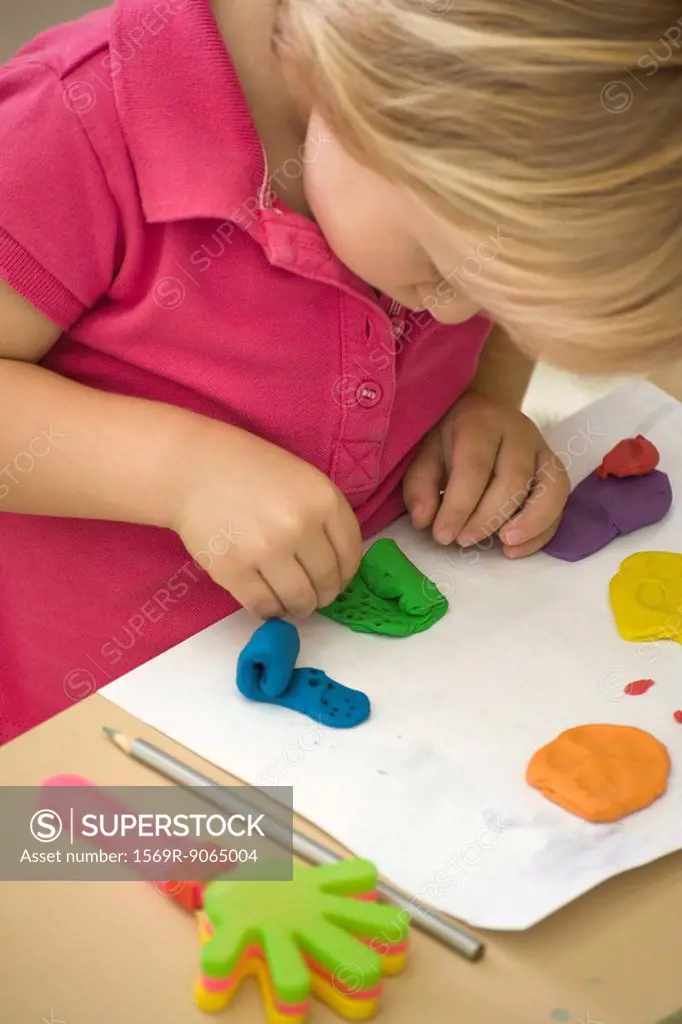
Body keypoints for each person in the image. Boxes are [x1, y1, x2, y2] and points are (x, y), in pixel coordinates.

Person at [13, 0, 676, 740]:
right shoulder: (71, 127)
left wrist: (486, 398)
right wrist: (183, 473)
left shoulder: (469, 164)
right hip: (83, 732)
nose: (458, 317)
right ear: (376, 100)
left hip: (348, 731)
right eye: (440, 269)